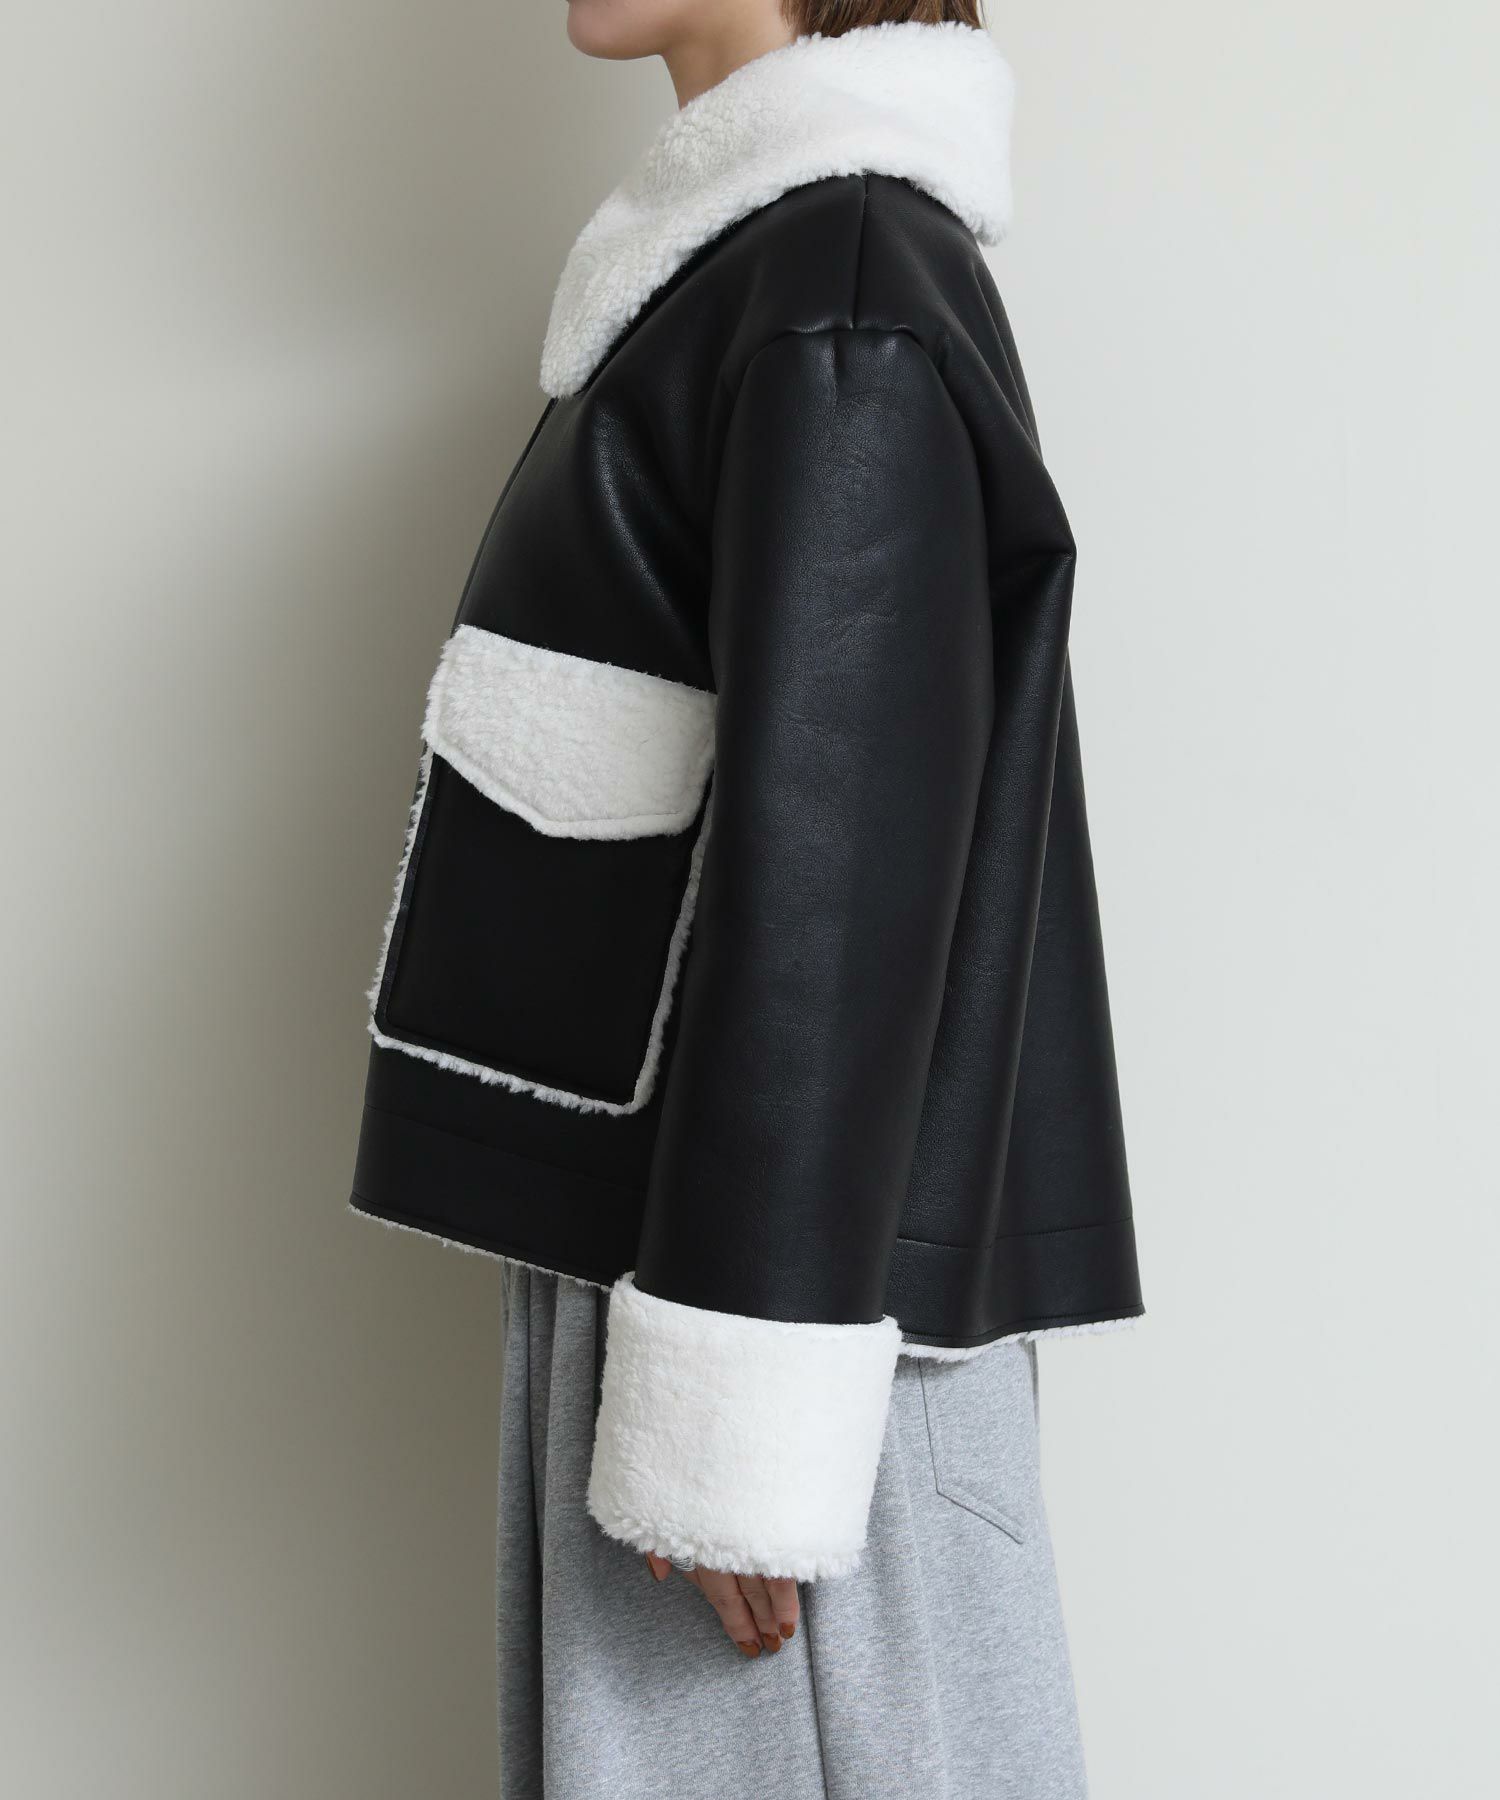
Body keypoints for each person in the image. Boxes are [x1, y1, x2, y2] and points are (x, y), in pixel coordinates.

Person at [348, 2, 1143, 1793]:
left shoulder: (837, 284)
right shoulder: (744, 271)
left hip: (771, 1343)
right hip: (699, 1284)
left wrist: (740, 1419)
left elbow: (842, 872)